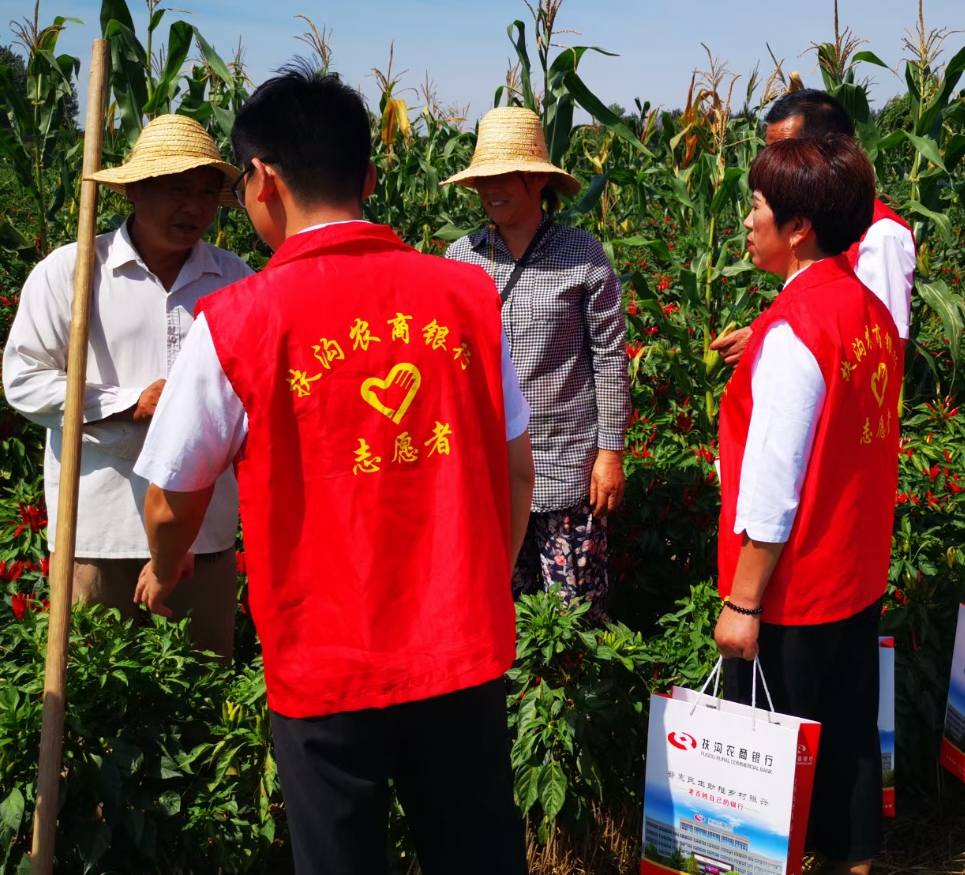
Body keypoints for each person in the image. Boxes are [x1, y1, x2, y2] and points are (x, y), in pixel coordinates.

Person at [131, 71, 534, 875]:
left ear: (263, 181)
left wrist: (164, 568)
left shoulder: (239, 320)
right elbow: (517, 469)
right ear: (370, 178)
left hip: (326, 664)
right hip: (460, 648)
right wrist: (481, 580)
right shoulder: (466, 295)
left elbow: (173, 500)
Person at [714, 135, 903, 875]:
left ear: (798, 228)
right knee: (850, 733)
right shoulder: (867, 308)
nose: (747, 220)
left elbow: (774, 480)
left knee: (775, 753)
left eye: (758, 206)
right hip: (855, 567)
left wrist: (743, 602)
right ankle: (855, 860)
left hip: (795, 586)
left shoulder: (797, 329)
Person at [2, 114, 252, 661]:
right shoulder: (71, 272)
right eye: (178, 190)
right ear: (135, 190)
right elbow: (23, 380)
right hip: (99, 527)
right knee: (96, 681)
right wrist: (126, 404)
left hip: (203, 530)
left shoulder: (236, 280)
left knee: (203, 682)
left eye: (206, 194)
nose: (194, 207)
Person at [445, 106, 630, 621]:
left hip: (567, 464)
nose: (491, 189)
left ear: (538, 180)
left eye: (505, 176)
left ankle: (580, 681)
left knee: (575, 615)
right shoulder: (461, 258)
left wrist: (610, 452)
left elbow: (610, 359)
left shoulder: (582, 255)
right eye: (484, 178)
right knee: (497, 608)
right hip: (490, 466)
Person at [712, 89, 915, 367]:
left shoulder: (881, 235)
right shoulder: (812, 222)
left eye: (785, 152)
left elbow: (882, 347)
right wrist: (764, 333)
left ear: (829, 152)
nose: (772, 164)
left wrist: (773, 342)